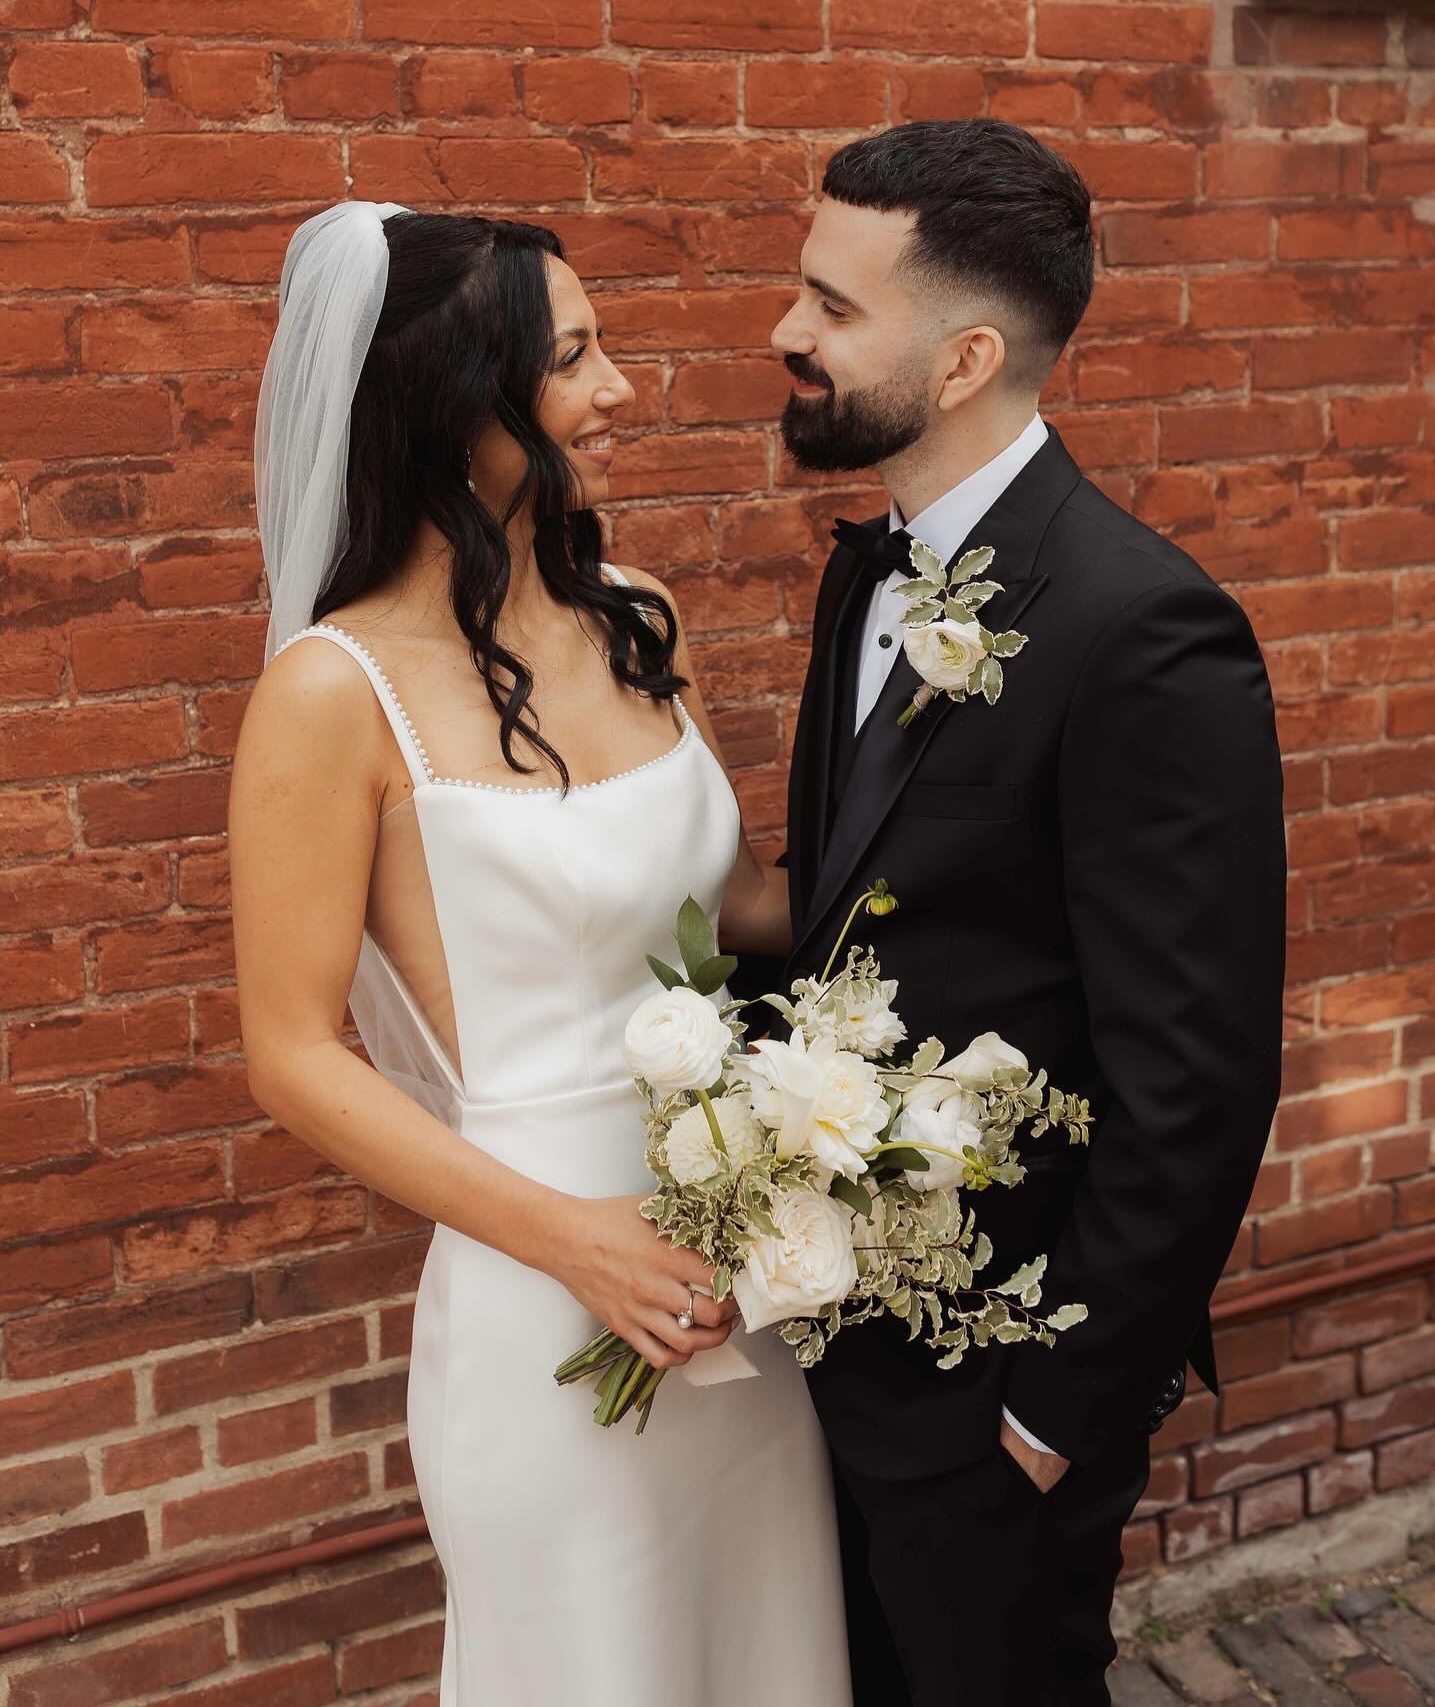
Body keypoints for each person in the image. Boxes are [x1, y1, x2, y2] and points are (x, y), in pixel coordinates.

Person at [229, 203, 850, 1707]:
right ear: (458, 406)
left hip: (740, 1267)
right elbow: (293, 1054)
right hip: (543, 1293)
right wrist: (578, 1241)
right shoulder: (332, 693)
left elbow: (744, 911)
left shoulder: (638, 617)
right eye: (573, 359)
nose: (620, 388)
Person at [768, 119, 1287, 1705]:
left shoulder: (1147, 631)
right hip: (836, 1357)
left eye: (832, 306)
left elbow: (1195, 1081)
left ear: (965, 360)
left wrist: (1056, 1406)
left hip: (997, 1393)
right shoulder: (867, 573)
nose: (787, 331)